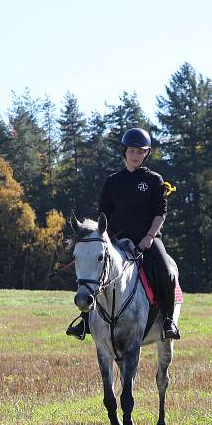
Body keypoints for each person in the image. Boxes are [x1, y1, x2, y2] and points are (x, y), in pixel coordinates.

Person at [66, 127, 181, 341]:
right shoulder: (112, 182)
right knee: (94, 271)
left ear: (146, 153)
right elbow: (104, 216)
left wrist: (149, 237)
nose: (136, 155)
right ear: (124, 151)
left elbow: (160, 214)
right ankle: (85, 321)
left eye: (140, 151)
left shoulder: (154, 180)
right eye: (132, 151)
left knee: (166, 271)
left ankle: (168, 321)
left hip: (148, 240)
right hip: (116, 241)